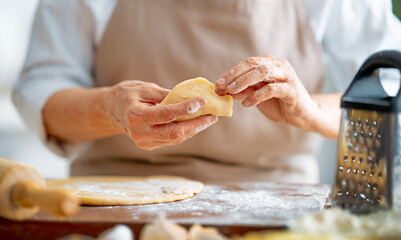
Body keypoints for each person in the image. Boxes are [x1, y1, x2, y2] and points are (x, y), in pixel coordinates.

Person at [12, 0, 401, 183]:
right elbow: (40, 89)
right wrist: (110, 109)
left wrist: (309, 111)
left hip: (276, 207)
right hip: (116, 204)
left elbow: (391, 102)